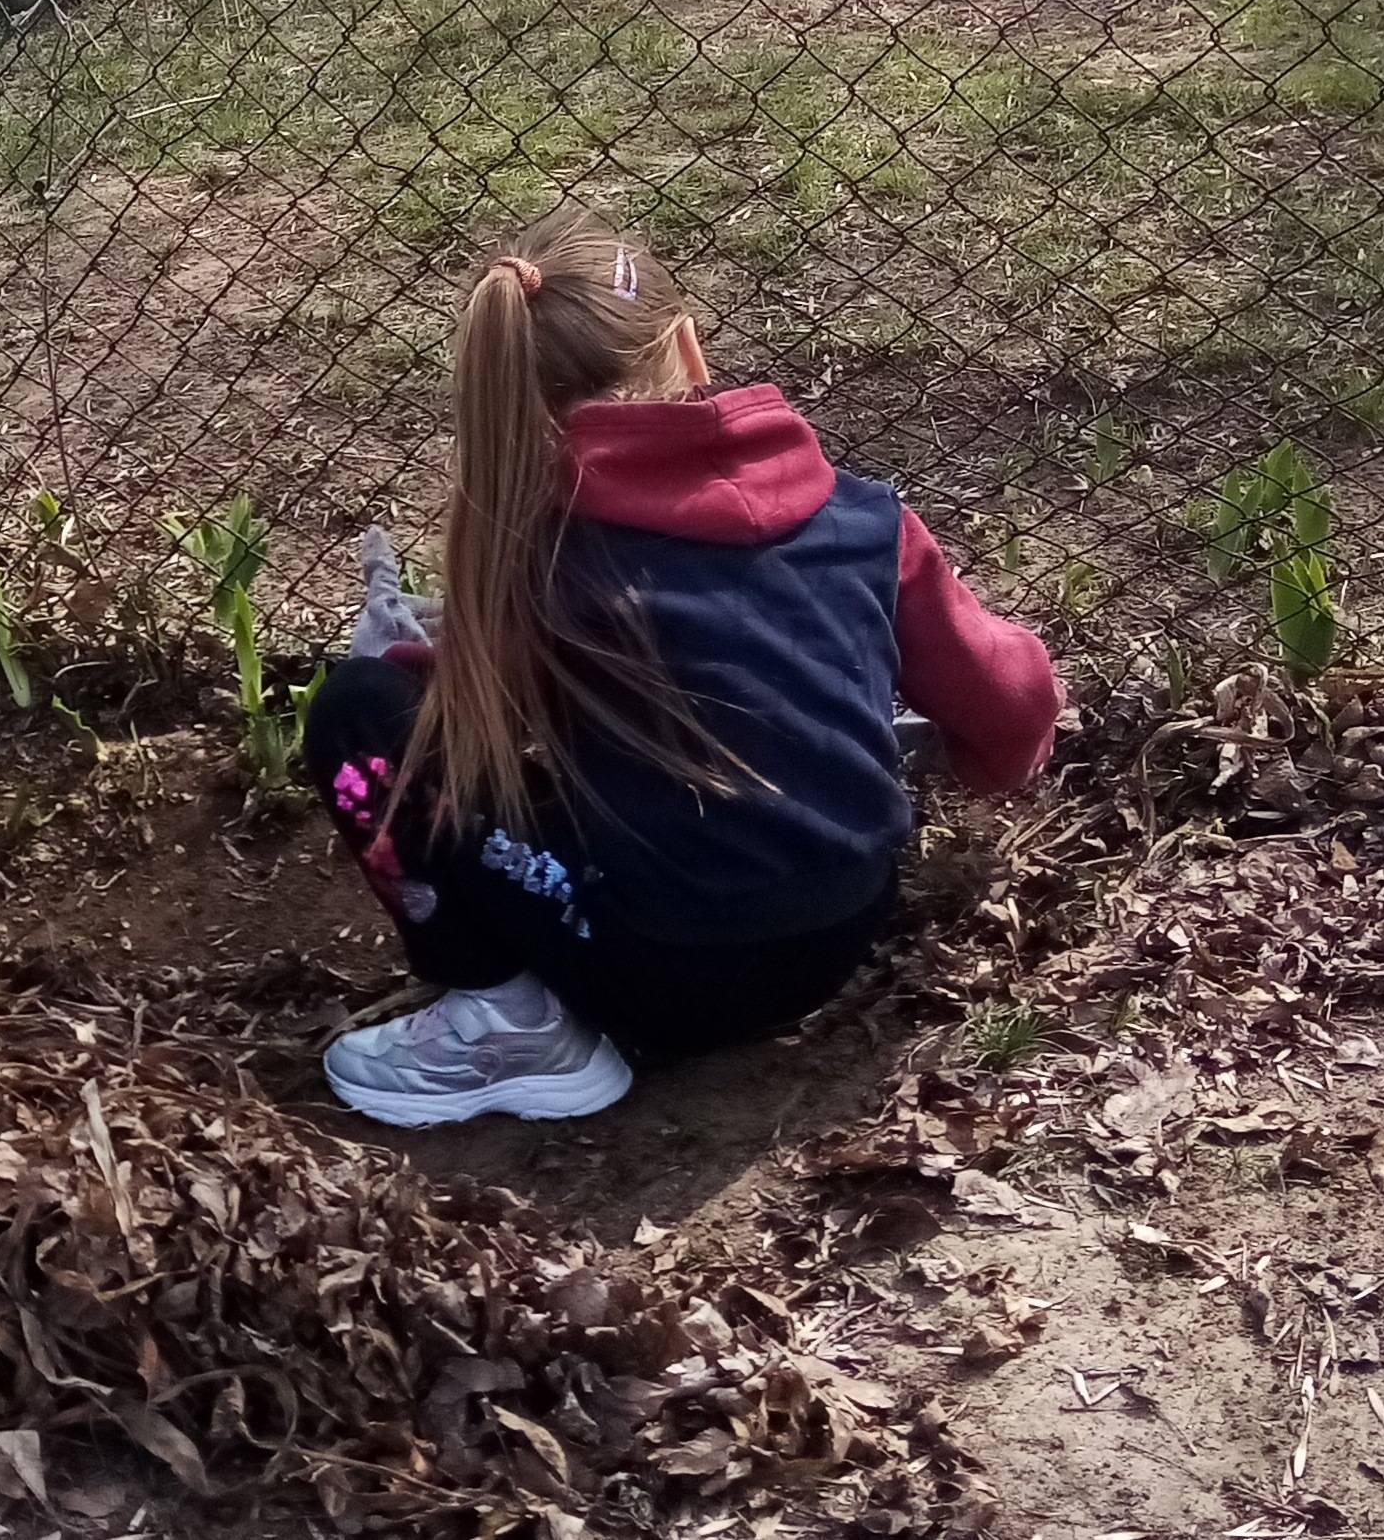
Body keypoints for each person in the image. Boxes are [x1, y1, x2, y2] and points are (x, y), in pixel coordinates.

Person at [305, 208, 1060, 1127]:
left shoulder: (543, 553)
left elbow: (470, 722)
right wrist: (999, 763)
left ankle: (506, 1023)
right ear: (689, 348)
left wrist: (408, 660)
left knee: (359, 711)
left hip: (659, 968)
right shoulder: (865, 517)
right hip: (841, 929)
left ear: (510, 395)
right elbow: (1008, 699)